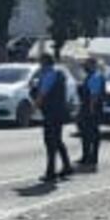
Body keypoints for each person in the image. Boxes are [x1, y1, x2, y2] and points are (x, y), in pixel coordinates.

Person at [31, 48, 73, 182]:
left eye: (40, 61)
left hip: (51, 113)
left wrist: (34, 108)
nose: (39, 64)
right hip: (59, 112)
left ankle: (51, 172)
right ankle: (67, 166)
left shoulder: (48, 75)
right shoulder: (57, 74)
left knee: (50, 142)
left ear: (44, 62)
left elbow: (42, 94)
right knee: (57, 140)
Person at [75, 53, 107, 172]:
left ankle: (91, 158)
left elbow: (94, 95)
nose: (84, 68)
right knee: (86, 134)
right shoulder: (92, 76)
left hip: (91, 110)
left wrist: (91, 110)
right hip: (89, 109)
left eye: (86, 65)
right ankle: (86, 156)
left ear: (92, 65)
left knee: (91, 134)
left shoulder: (95, 77)